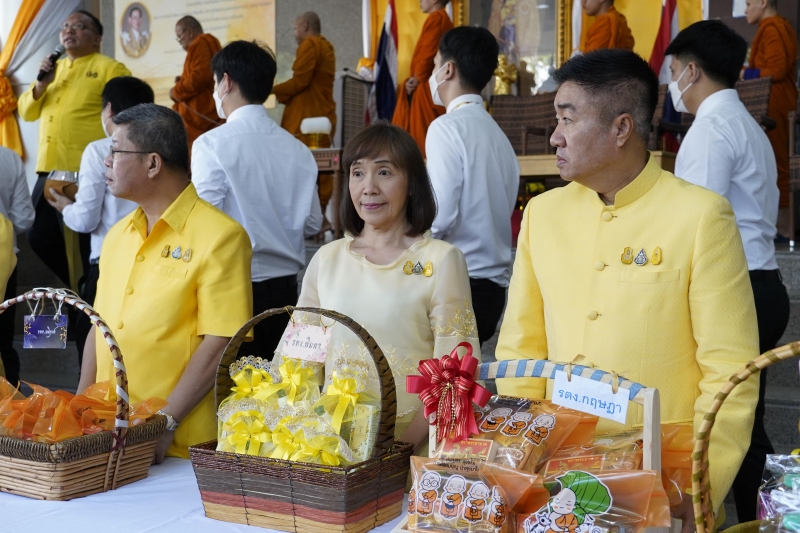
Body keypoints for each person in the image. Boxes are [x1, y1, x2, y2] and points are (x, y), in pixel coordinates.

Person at [494, 49, 759, 530]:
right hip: (558, 484)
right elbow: (521, 347)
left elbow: (731, 374)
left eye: (567, 119)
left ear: (621, 128)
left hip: (661, 482)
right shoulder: (543, 215)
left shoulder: (700, 217)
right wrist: (519, 458)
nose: (554, 136)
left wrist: (695, 485)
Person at [76, 104, 252, 461]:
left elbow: (220, 343)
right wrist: (78, 410)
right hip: (103, 435)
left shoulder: (221, 236)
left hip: (176, 446)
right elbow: (99, 327)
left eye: (115, 150)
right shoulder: (117, 235)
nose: (106, 161)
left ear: (153, 164)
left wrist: (165, 423)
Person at [666, 20, 790, 523]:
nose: (672, 84)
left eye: (674, 72)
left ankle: (746, 520)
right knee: (745, 424)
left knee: (727, 428)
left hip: (737, 290)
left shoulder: (712, 129)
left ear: (692, 71)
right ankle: (759, 518)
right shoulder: (747, 124)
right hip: (763, 281)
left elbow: (695, 224)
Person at [294, 122, 480, 454]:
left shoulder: (442, 259)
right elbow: (299, 362)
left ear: (412, 184)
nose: (368, 187)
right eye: (357, 173)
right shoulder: (327, 259)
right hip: (333, 452)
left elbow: (455, 374)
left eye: (384, 173)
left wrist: (399, 449)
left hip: (410, 454)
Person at [193, 41, 322, 359]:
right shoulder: (298, 149)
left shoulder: (211, 144)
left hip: (233, 287)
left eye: (214, 84)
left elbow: (204, 220)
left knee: (237, 396)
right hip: (289, 292)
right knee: (286, 391)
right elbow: (314, 222)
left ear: (226, 82)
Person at [18, 10, 130, 287]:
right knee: (38, 235)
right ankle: (78, 286)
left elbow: (128, 106)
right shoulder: (52, 72)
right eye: (65, 26)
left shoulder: (108, 67)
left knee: (81, 237)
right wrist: (42, 83)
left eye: (78, 27)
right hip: (50, 167)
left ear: (96, 39)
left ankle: (86, 293)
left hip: (84, 168)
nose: (69, 30)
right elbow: (26, 112)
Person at [47, 77, 155, 364]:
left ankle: (92, 407)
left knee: (96, 345)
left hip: (109, 262)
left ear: (109, 109)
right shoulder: (158, 148)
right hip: (155, 260)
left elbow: (85, 220)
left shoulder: (99, 149)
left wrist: (64, 207)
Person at [425, 27, 519, 345]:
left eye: (435, 63)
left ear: (447, 69)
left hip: (458, 284)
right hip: (493, 287)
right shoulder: (499, 136)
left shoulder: (446, 128)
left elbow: (439, 216)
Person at [272, 12, 335, 237]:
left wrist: (270, 89)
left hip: (306, 117)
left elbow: (300, 81)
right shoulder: (326, 47)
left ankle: (317, 222)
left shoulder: (311, 45)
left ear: (305, 26)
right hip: (321, 116)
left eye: (296, 29)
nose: (295, 34)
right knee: (320, 170)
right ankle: (321, 220)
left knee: (298, 167)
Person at [744, 0, 798, 237]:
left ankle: (785, 228)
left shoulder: (773, 27)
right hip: (773, 101)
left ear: (763, 2)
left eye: (748, 3)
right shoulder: (772, 27)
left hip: (775, 102)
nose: (746, 9)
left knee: (778, 164)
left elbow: (776, 69)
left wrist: (745, 73)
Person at [391, 0, 453, 158]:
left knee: (422, 144)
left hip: (426, 87)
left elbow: (427, 54)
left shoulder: (437, 18)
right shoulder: (444, 18)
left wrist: (416, 79)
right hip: (432, 85)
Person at [0, 148, 35, 387]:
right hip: (4, 259)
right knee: (3, 340)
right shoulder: (9, 157)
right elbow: (24, 217)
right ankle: (9, 412)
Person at [170, 16, 222, 151]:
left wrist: (175, 91)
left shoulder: (200, 42)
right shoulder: (205, 43)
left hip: (200, 117)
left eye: (179, 36)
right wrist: (182, 79)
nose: (179, 42)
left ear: (189, 32)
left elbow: (199, 77)